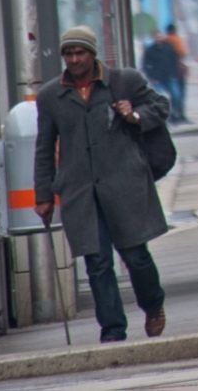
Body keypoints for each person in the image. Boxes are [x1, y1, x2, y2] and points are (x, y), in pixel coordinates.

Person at [35, 26, 170, 344]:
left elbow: (160, 108)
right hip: (80, 190)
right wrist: (43, 194)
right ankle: (112, 329)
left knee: (135, 254)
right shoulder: (51, 96)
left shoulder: (125, 81)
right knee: (97, 262)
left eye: (79, 53)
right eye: (68, 54)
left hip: (124, 184)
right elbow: (44, 147)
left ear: (92, 54)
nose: (74, 59)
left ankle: (153, 305)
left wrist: (134, 114)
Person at [140, 33, 183, 123]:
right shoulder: (150, 50)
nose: (159, 39)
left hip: (170, 77)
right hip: (157, 79)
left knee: (176, 96)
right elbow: (145, 64)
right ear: (154, 38)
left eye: (160, 37)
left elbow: (175, 60)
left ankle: (174, 114)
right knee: (161, 98)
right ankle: (163, 116)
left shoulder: (169, 48)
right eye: (157, 37)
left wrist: (174, 73)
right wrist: (151, 76)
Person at [162, 24, 190, 123]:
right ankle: (179, 115)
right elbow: (182, 53)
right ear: (174, 30)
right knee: (179, 95)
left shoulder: (164, 41)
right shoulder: (176, 39)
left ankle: (174, 115)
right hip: (177, 72)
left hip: (168, 73)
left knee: (172, 96)